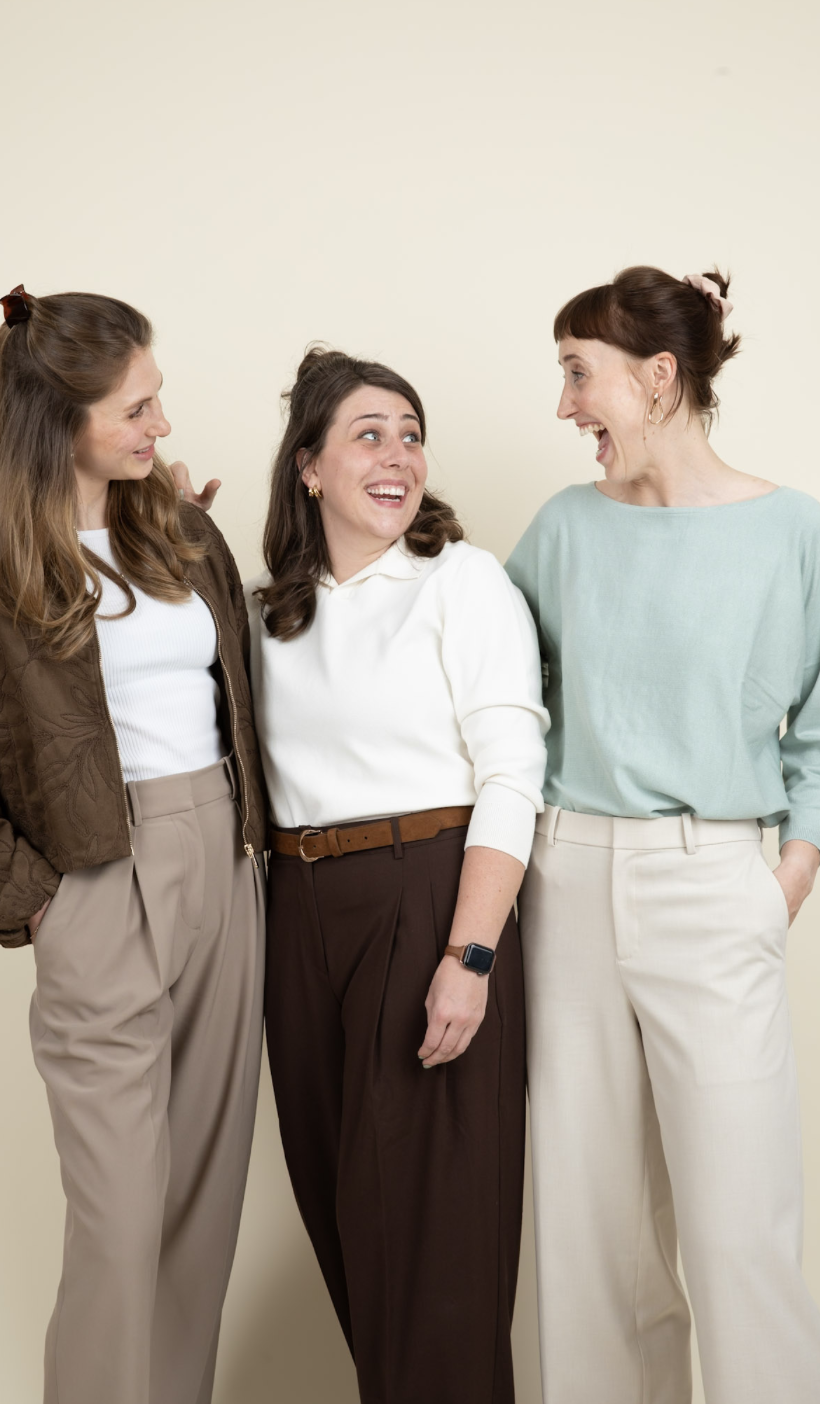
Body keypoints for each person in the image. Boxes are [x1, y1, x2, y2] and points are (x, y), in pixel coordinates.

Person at [0, 285, 266, 1404]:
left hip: (223, 859)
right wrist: (36, 901)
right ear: (60, 422)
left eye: (157, 401)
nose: (162, 425)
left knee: (201, 1208)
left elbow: (239, 687)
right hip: (96, 879)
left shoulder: (181, 531)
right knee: (119, 1219)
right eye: (136, 410)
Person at [506, 266, 820, 1404]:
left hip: (716, 880)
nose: (563, 406)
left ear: (658, 377)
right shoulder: (562, 529)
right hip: (566, 880)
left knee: (740, 1232)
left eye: (577, 374)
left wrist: (788, 873)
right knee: (590, 1236)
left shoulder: (792, 531)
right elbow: (494, 689)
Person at [243, 347, 548, 1404]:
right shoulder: (267, 613)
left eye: (411, 435)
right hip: (297, 913)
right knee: (349, 1222)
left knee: (437, 1241)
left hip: (428, 899)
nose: (398, 456)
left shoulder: (461, 581)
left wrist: (471, 955)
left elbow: (511, 775)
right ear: (307, 466)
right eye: (368, 434)